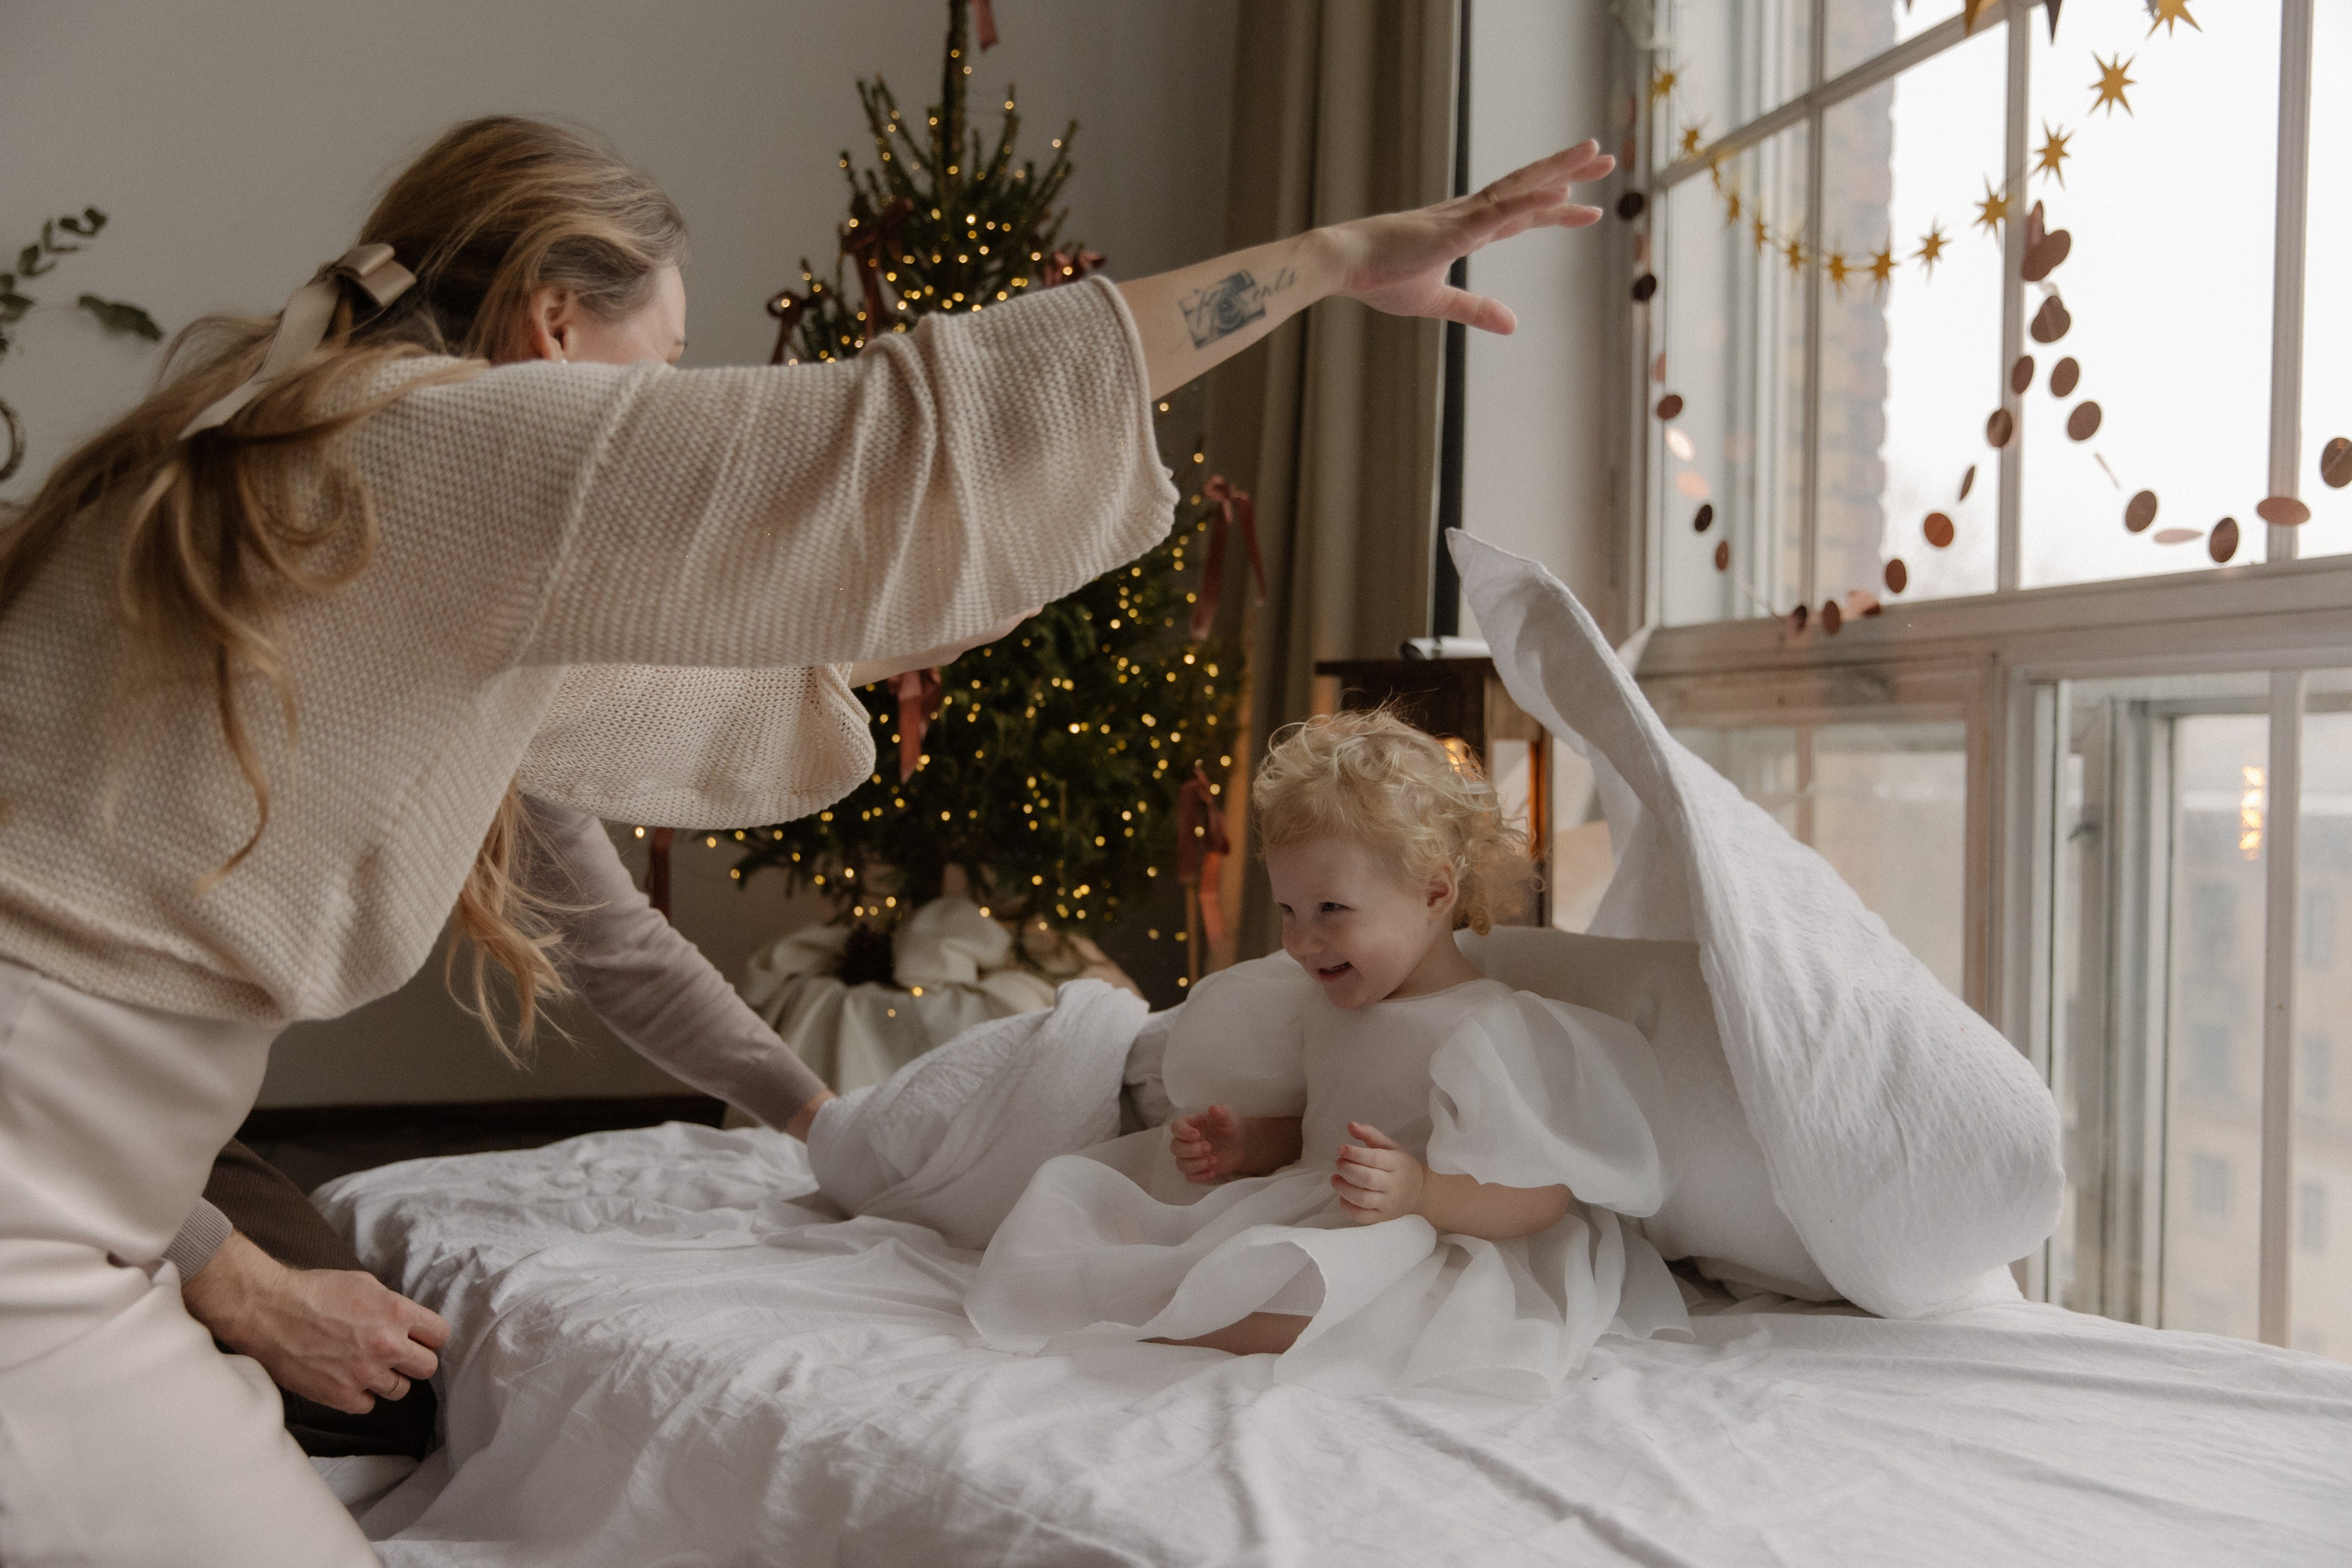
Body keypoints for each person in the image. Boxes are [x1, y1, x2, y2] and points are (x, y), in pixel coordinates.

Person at [0, 105, 1614, 1562]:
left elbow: (635, 825)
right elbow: (892, 449)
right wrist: (1331, 256)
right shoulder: (452, 450)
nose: (679, 398)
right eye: (668, 353)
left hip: (93, 1211)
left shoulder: (304, 464)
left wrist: (808, 1108)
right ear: (558, 325)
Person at [965, 710, 1690, 1394]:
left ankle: (1226, 1326)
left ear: (1435, 891)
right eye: (1288, 910)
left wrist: (1421, 1193)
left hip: (1429, 1233)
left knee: (1350, 1292)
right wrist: (1252, 1145)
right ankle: (1192, 1314)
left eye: (1331, 911)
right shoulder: (1321, 1006)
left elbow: (1541, 1195)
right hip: (1322, 1205)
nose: (1302, 941)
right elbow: (1325, 1126)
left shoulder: (1483, 1027)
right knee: (1124, 1230)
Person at [167, 793, 842, 1450]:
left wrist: (838, 1126)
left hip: (173, 1132)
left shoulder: (515, 724)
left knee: (379, 1401)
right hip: (85, 1124)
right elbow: (63, 1095)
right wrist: (249, 1291)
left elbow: (622, 949)